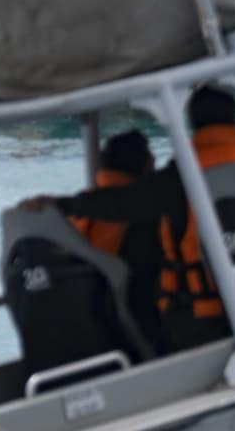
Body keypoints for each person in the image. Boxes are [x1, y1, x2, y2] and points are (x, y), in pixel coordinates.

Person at [28, 85, 235, 350]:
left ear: (193, 125)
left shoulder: (177, 178)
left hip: (200, 317)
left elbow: (122, 204)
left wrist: (62, 204)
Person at [66, 130, 162, 345]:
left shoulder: (78, 210)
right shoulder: (145, 215)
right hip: (128, 326)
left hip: (81, 320)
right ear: (145, 166)